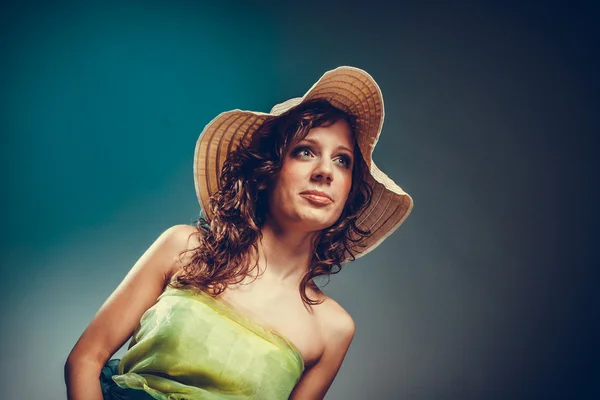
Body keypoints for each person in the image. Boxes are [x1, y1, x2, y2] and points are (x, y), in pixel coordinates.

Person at [64, 66, 413, 400]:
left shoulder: (333, 329)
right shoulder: (183, 248)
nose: (325, 171)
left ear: (350, 190)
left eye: (342, 160)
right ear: (268, 169)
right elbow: (85, 359)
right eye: (305, 151)